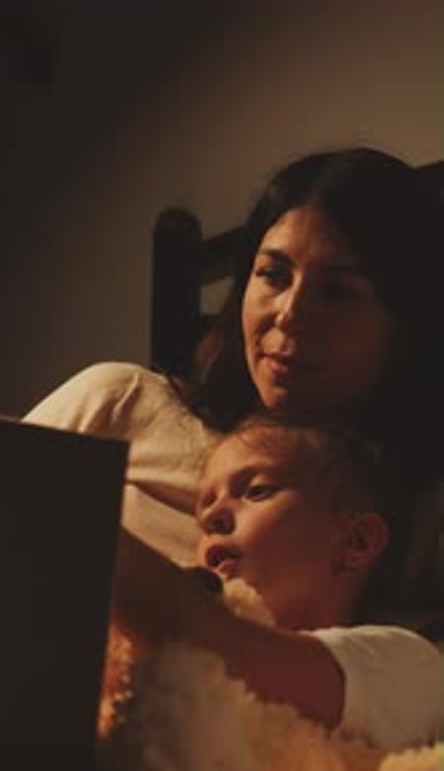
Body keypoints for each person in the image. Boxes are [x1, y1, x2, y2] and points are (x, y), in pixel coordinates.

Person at [23, 146, 444, 596]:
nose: (289, 313)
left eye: (339, 291)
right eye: (273, 275)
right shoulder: (120, 402)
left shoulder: (421, 521)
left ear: (406, 324)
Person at [107, 416, 443, 752]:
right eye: (204, 509)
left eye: (256, 491)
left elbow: (227, 653)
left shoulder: (408, 663)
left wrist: (92, 523)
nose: (213, 517)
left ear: (357, 541)